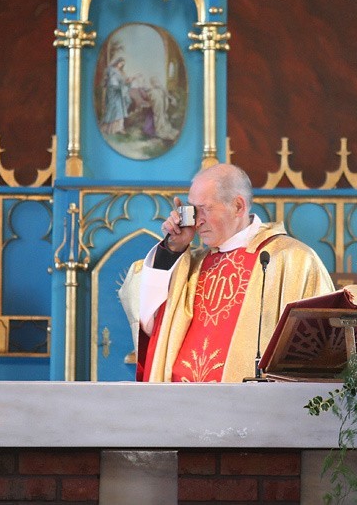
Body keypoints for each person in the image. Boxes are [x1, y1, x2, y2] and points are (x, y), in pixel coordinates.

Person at [118, 163, 335, 382]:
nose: (196, 220)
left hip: (251, 409)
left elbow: (318, 351)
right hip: (182, 406)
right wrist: (173, 249)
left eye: (205, 209)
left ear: (238, 206)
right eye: (192, 209)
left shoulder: (292, 259)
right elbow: (147, 317)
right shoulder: (190, 262)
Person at [100, 57, 131, 135]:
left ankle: (119, 128)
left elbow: (121, 83)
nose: (121, 65)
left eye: (122, 64)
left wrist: (127, 83)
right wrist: (123, 85)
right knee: (116, 110)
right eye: (121, 63)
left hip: (118, 95)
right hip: (114, 94)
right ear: (117, 62)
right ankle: (111, 129)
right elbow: (113, 84)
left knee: (120, 110)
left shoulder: (119, 72)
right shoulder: (113, 71)